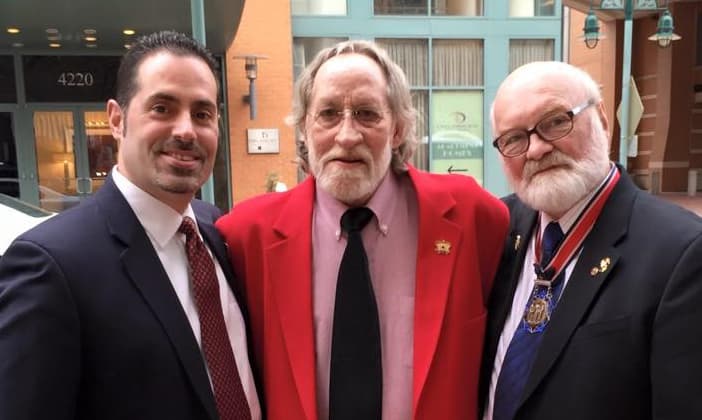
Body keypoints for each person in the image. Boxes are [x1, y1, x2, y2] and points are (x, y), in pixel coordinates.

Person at [216, 39, 509, 420]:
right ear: (304, 127)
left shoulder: (472, 217)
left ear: (398, 129)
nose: (347, 135)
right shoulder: (245, 235)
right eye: (328, 113)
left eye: (367, 114)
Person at [0, 31, 261, 420]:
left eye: (203, 114)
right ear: (117, 119)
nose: (186, 130)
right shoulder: (50, 266)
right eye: (162, 108)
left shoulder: (217, 229)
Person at [480, 60, 702, 420]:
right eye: (514, 139)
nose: (536, 149)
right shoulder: (497, 227)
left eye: (555, 122)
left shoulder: (682, 253)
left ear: (600, 118)